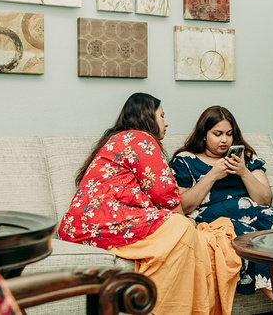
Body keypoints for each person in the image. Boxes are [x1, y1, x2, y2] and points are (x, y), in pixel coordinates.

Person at [58, 93, 241, 315]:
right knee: (182, 228)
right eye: (161, 116)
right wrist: (185, 221)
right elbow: (165, 194)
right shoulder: (140, 139)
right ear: (147, 116)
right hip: (100, 220)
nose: (166, 122)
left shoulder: (118, 139)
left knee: (187, 231)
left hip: (80, 225)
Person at [170, 106, 273, 315]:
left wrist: (243, 171)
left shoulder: (246, 157)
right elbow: (185, 206)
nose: (224, 140)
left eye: (229, 134)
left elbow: (264, 199)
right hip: (217, 218)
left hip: (256, 213)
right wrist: (212, 175)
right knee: (255, 247)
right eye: (217, 134)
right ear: (203, 135)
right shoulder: (184, 160)